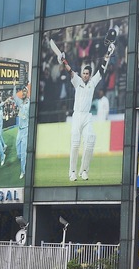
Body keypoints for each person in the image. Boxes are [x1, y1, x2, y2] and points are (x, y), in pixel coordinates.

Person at [60, 52, 106, 181]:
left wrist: (107, 56)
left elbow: (101, 71)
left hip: (87, 116)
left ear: (90, 75)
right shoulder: (77, 81)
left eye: (87, 74)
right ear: (82, 74)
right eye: (84, 73)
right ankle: (72, 172)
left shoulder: (92, 83)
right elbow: (70, 71)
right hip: (77, 116)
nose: (85, 75)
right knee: (75, 144)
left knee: (90, 140)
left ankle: (84, 171)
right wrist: (64, 60)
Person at [12, 83, 30, 179]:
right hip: (20, 129)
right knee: (17, 148)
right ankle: (23, 160)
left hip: (26, 129)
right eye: (22, 91)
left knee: (23, 153)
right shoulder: (20, 102)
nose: (23, 93)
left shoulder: (29, 103)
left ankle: (23, 171)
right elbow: (14, 96)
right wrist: (14, 86)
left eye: (24, 91)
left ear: (27, 93)